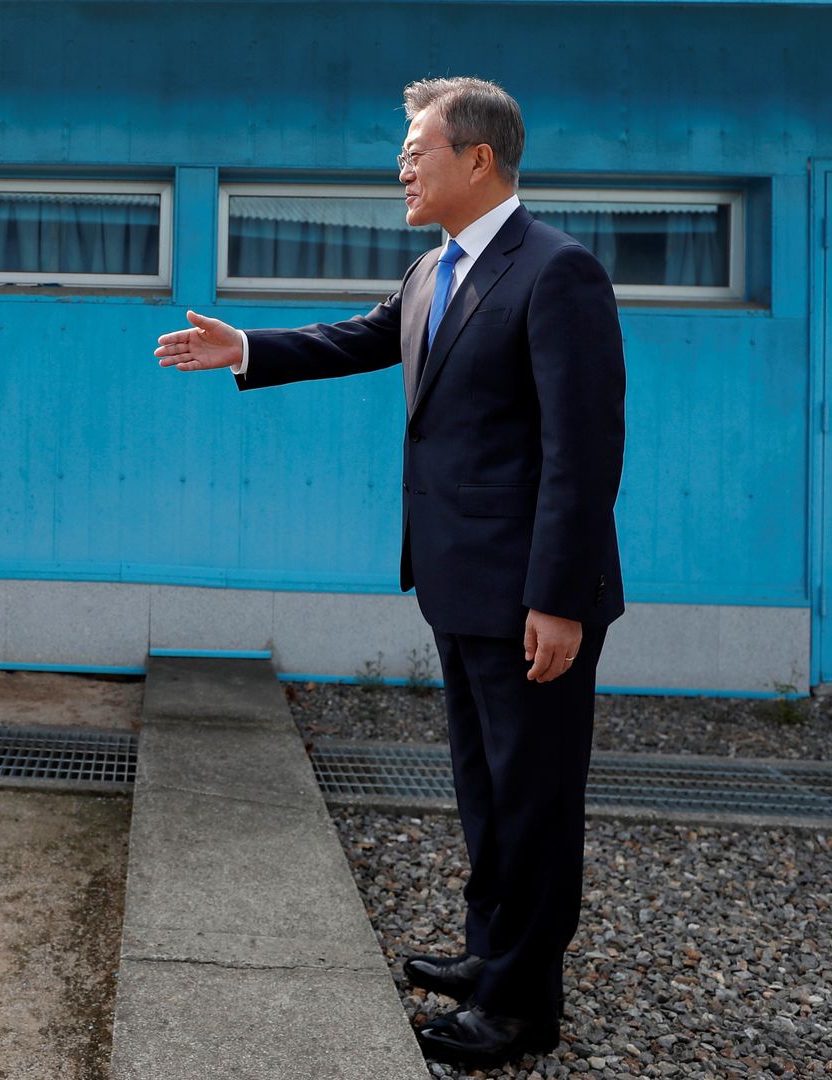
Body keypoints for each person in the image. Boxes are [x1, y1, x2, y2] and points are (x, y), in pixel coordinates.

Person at [154, 76, 624, 1068]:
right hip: (458, 579)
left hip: (531, 594)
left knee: (534, 800)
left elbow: (584, 453)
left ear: (479, 159)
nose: (401, 166)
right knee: (485, 790)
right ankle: (490, 953)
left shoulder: (558, 273)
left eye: (418, 148)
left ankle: (521, 1008)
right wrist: (246, 346)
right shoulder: (432, 273)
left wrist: (557, 598)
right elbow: (360, 339)